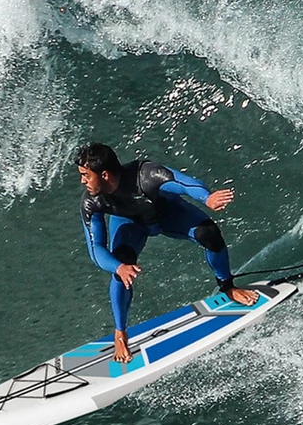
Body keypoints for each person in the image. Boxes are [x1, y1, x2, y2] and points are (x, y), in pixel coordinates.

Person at [75, 142, 258, 364]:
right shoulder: (91, 201)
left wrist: (206, 198)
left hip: (167, 213)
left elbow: (182, 183)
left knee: (209, 233)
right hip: (130, 225)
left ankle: (229, 288)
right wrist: (119, 267)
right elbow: (96, 249)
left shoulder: (146, 175)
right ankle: (120, 333)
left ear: (104, 174)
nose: (83, 181)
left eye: (86, 175)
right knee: (120, 267)